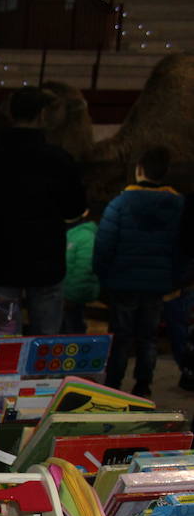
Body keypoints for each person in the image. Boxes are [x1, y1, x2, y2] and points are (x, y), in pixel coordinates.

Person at [0, 87, 88, 335]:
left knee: (1, 346)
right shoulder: (60, 160)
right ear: (42, 114)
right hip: (46, 261)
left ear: (10, 114)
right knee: (45, 346)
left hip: (0, 259)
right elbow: (75, 207)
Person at [94, 146, 187, 398]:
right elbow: (183, 247)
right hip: (157, 284)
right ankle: (143, 385)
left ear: (138, 170)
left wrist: (103, 276)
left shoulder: (120, 203)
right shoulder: (178, 205)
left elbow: (104, 244)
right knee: (148, 337)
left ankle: (113, 385)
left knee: (121, 337)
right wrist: (176, 279)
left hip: (122, 283)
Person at [61, 213, 99, 334]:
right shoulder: (70, 232)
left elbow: (84, 270)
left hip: (71, 297)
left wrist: (72, 296)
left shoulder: (86, 236)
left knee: (72, 328)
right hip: (61, 294)